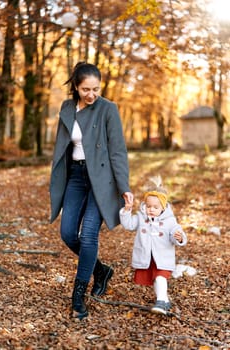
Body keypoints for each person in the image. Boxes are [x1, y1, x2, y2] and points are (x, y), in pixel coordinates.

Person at [50, 62, 133, 320]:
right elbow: (61, 147)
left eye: (96, 89)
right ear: (76, 86)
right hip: (75, 176)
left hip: (102, 179)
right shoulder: (66, 108)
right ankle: (101, 270)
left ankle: (78, 296)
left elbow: (118, 151)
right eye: (86, 89)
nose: (91, 94)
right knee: (67, 233)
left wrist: (124, 187)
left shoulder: (108, 109)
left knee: (88, 236)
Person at [119, 176, 187, 315]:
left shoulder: (169, 220)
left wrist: (179, 237)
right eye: (149, 206)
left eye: (155, 207)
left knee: (161, 277)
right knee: (156, 279)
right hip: (147, 256)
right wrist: (127, 211)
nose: (151, 209)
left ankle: (161, 302)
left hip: (163, 256)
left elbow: (176, 231)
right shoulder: (141, 217)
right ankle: (164, 301)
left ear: (163, 207)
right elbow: (129, 225)